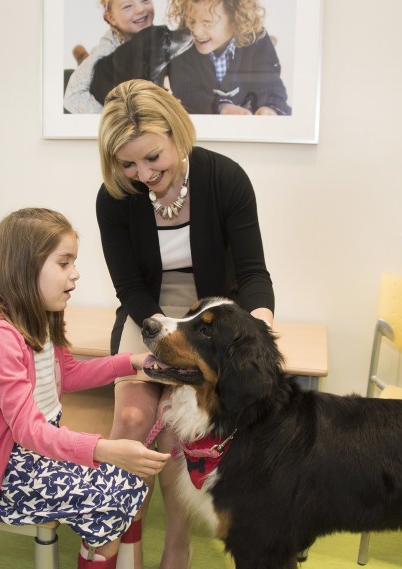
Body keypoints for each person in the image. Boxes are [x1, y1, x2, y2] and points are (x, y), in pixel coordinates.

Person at [96, 79, 275, 569]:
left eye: (152, 158)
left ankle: (177, 546)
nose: (142, 173)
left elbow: (254, 273)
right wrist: (162, 335)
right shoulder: (113, 197)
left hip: (207, 317)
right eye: (128, 164)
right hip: (148, 313)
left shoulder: (225, 179)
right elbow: (129, 287)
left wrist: (258, 329)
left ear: (177, 134)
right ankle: (123, 544)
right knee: (132, 422)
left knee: (179, 437)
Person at [0, 208, 170, 569]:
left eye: (73, 262)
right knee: (109, 496)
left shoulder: (42, 317)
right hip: (3, 471)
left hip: (35, 451)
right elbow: (28, 431)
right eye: (64, 263)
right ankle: (105, 554)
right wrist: (103, 449)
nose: (75, 274)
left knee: (129, 482)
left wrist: (133, 363)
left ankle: (114, 558)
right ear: (24, 267)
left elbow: (71, 375)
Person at [166, 0, 291, 115]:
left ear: (235, 19)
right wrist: (222, 107)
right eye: (192, 21)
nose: (196, 31)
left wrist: (270, 108)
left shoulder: (257, 39)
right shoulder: (182, 46)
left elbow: (270, 82)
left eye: (207, 23)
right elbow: (186, 92)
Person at [64, 0, 155, 114]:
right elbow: (72, 97)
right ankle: (83, 60)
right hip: (104, 91)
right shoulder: (106, 50)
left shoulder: (159, 37)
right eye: (127, 6)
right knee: (69, 76)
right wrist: (112, 120)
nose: (140, 9)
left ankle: (83, 58)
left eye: (145, 0)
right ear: (111, 18)